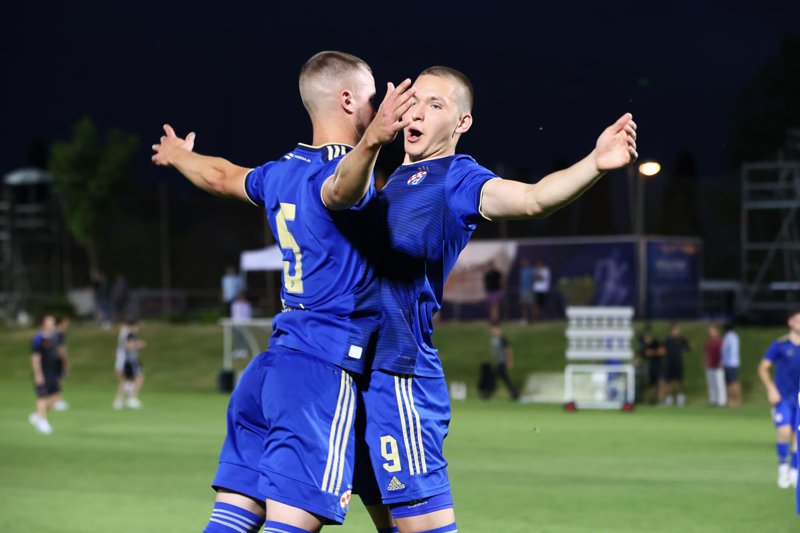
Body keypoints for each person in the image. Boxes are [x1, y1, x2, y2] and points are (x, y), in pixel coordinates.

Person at [335, 65, 637, 532]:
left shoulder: (457, 176)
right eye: (414, 101)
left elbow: (533, 199)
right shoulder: (388, 182)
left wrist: (594, 163)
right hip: (357, 373)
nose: (417, 112)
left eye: (435, 104)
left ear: (462, 122)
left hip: (400, 374)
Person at [152, 51, 415, 533]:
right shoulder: (341, 172)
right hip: (320, 373)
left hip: (271, 371)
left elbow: (221, 176)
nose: (380, 105)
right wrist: (374, 141)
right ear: (348, 99)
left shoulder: (281, 171)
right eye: (373, 96)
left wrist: (179, 156)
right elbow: (340, 191)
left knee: (231, 523)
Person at [757, 310, 800, 489]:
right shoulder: (780, 345)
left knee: (797, 435)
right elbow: (763, 367)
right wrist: (771, 389)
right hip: (783, 397)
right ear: (791, 322)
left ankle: (794, 471)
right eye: (798, 321)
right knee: (784, 431)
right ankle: (782, 468)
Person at [28, 314, 59, 434]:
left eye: (53, 323)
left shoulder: (54, 337)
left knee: (55, 398)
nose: (51, 325)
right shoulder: (38, 338)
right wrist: (38, 374)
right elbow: (35, 357)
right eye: (49, 323)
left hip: (52, 372)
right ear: (44, 324)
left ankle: (37, 415)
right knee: (42, 396)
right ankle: (42, 423)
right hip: (43, 371)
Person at [113, 317, 146, 410]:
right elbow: (128, 345)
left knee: (125, 380)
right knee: (139, 378)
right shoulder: (129, 334)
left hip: (124, 360)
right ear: (134, 325)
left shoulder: (123, 333)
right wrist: (140, 344)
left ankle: (120, 400)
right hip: (131, 360)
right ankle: (132, 398)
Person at [488, 323, 519, 400]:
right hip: (498, 362)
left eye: (496, 330)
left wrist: (509, 361)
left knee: (495, 377)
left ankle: (489, 391)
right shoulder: (492, 340)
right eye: (493, 330)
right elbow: (494, 352)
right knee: (505, 378)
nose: (494, 331)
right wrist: (494, 361)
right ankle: (514, 393)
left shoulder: (502, 339)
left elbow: (508, 350)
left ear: (499, 330)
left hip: (502, 362)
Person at [663, 322, 691, 407]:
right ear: (672, 330)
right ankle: (669, 398)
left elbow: (688, 348)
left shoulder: (682, 339)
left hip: (678, 362)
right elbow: (663, 350)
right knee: (669, 381)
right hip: (669, 363)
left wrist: (688, 347)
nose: (677, 331)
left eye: (678, 330)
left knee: (679, 381)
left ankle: (681, 398)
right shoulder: (667, 339)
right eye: (675, 330)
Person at [641, 329, 666, 405]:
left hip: (659, 367)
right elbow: (645, 354)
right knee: (652, 385)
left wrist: (652, 352)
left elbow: (662, 351)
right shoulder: (645, 347)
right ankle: (653, 401)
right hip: (651, 368)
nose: (646, 340)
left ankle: (661, 401)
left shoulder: (656, 343)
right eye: (645, 339)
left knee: (661, 384)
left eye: (647, 337)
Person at [704, 324, 726, 407]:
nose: (711, 333)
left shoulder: (720, 341)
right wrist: (705, 362)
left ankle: (722, 401)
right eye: (710, 331)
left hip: (718, 366)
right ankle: (713, 400)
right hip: (710, 365)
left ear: (716, 331)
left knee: (719, 384)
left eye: (712, 331)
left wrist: (722, 362)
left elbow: (724, 353)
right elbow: (706, 353)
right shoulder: (708, 342)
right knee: (711, 384)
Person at [52, 316, 71, 411]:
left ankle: (57, 400)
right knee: (58, 380)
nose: (67, 326)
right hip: (56, 360)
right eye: (66, 323)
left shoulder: (57, 333)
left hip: (55, 360)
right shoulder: (58, 334)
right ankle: (56, 401)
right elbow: (61, 350)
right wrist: (65, 361)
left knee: (58, 380)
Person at [721, 321, 741, 408]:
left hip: (730, 363)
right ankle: (733, 400)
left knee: (732, 382)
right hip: (733, 362)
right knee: (732, 382)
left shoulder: (728, 337)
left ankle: (734, 400)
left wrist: (723, 361)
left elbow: (726, 350)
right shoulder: (735, 336)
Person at [517, 258, 534, 324]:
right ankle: (525, 319)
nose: (523, 263)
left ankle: (532, 319)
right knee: (524, 306)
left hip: (529, 290)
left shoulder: (531, 270)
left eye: (525, 262)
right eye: (523, 262)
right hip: (523, 290)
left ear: (528, 262)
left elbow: (534, 279)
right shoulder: (522, 271)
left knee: (530, 305)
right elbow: (521, 282)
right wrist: (520, 290)